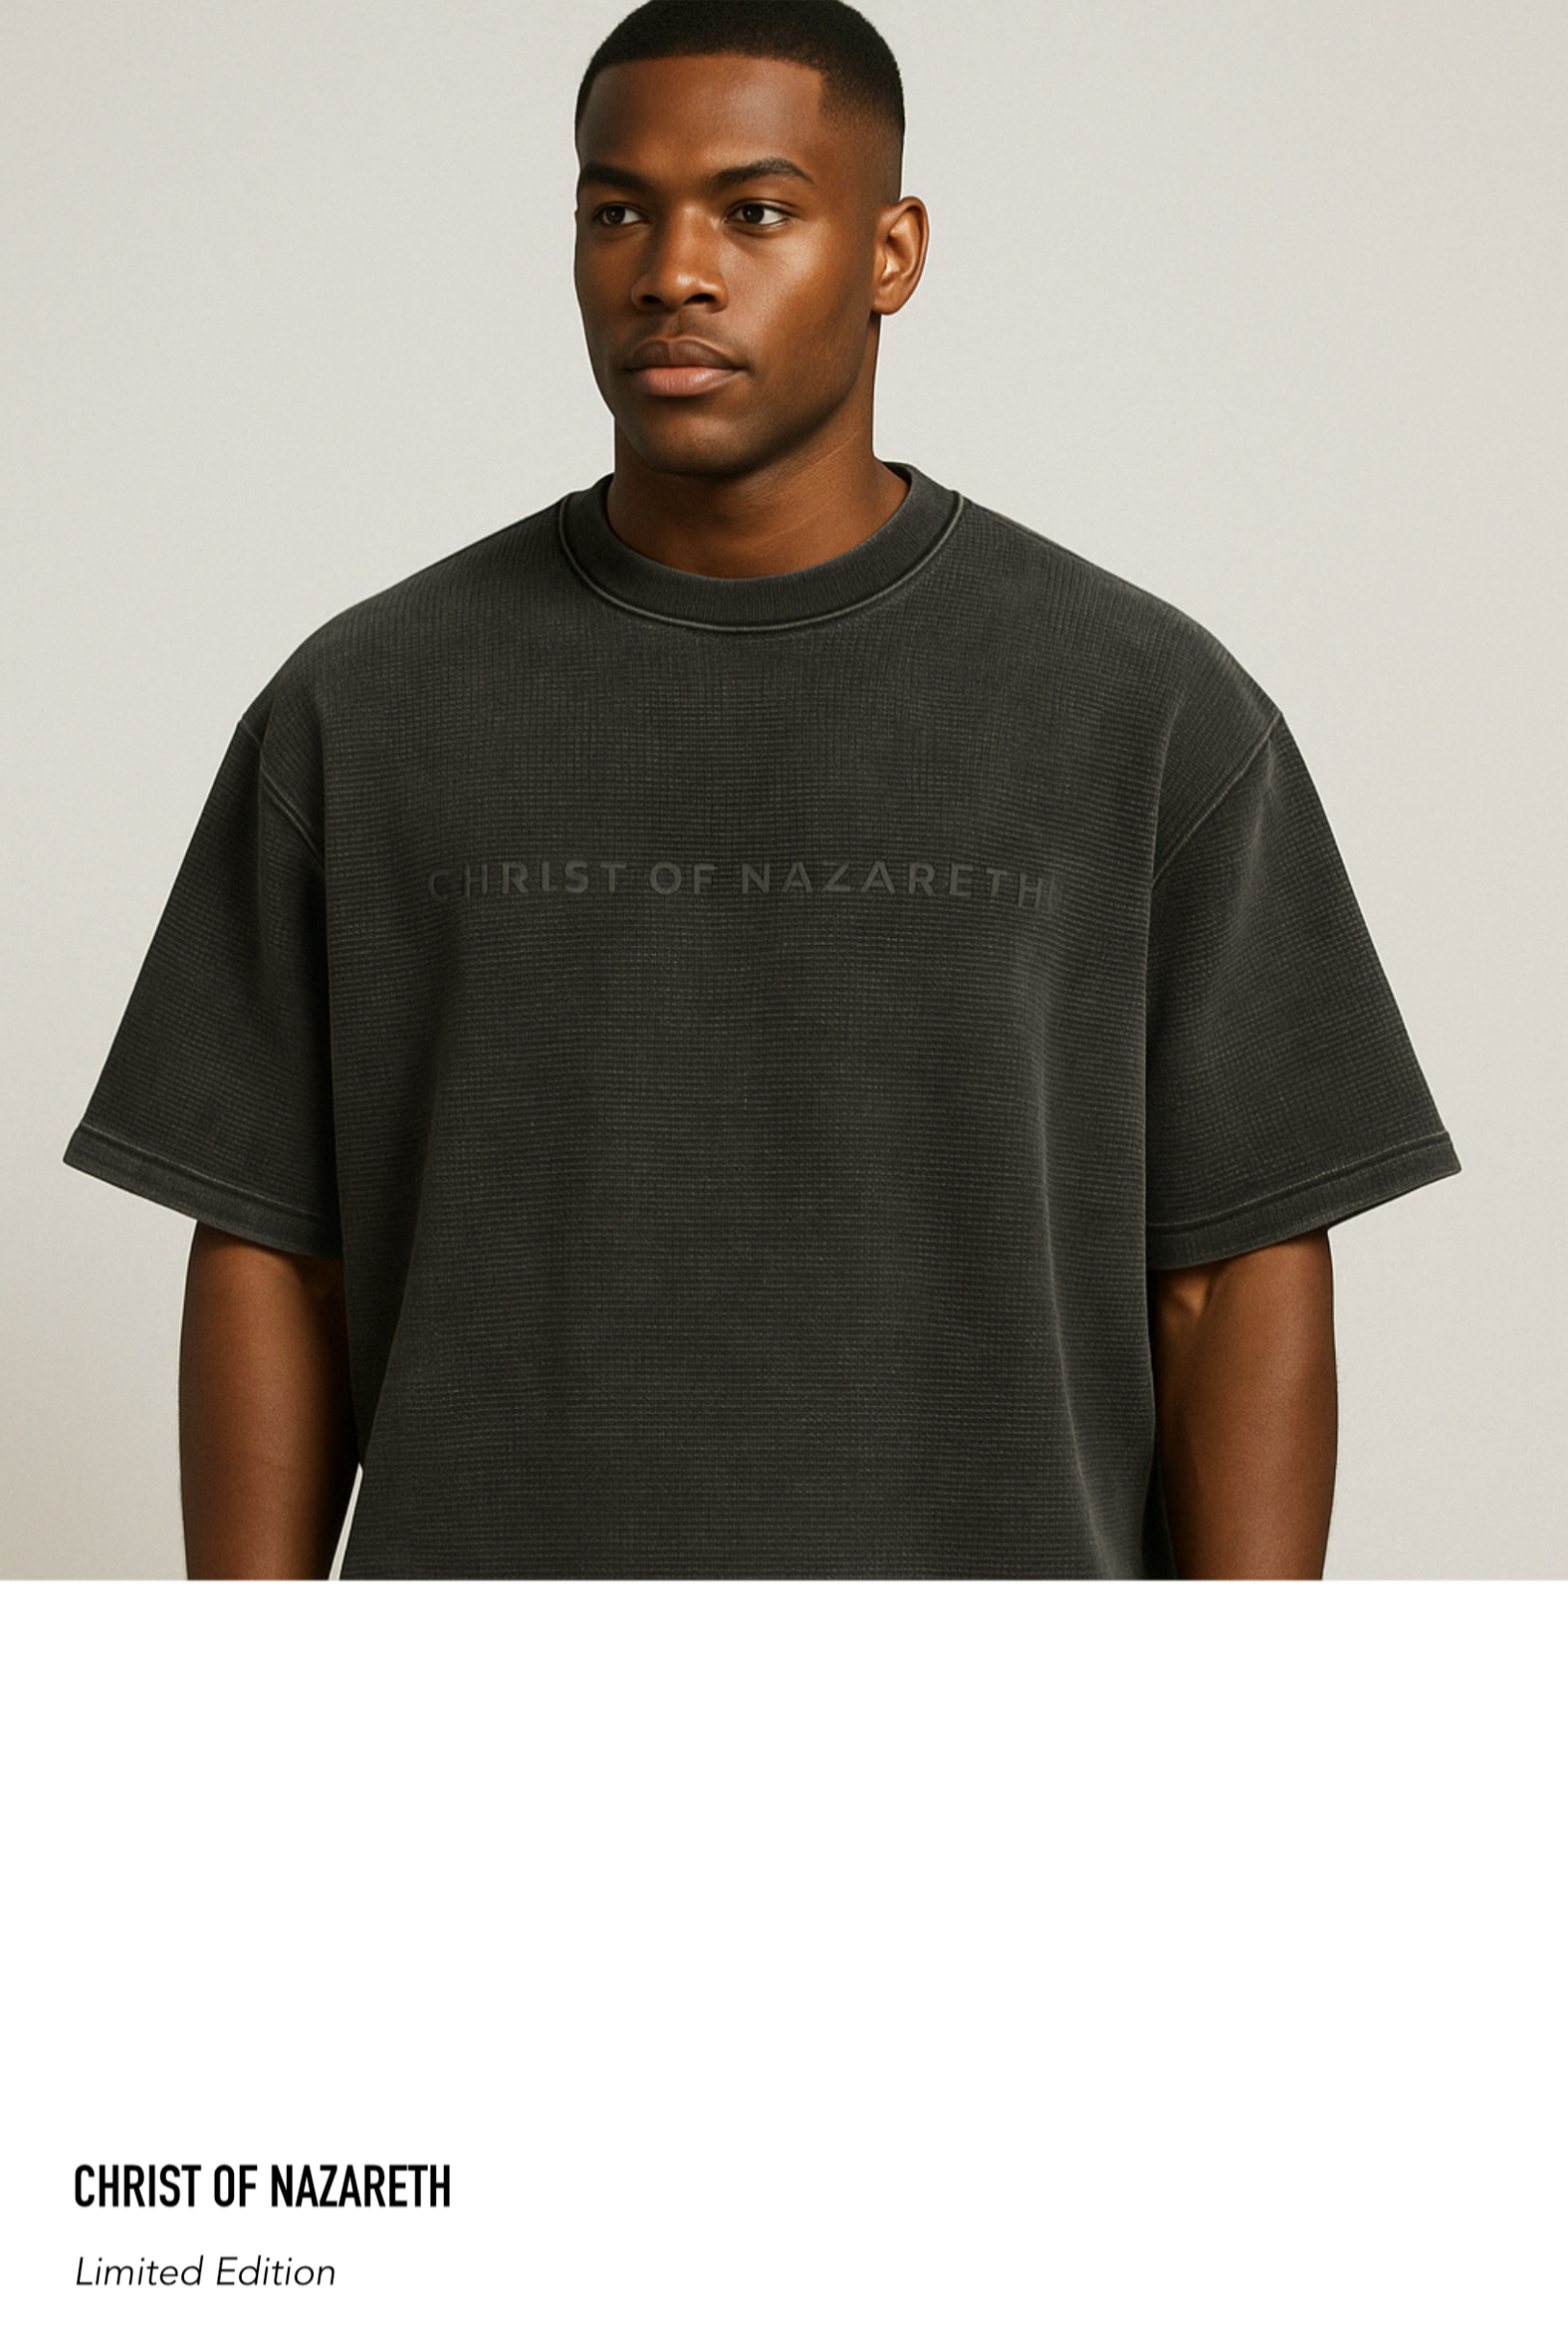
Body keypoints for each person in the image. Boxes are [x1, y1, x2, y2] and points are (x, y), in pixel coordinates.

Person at [64, 0, 1459, 1580]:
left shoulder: (1144, 711)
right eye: (617, 212)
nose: (673, 269)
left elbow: (1232, 1275)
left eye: (756, 211)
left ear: (892, 253)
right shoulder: (364, 707)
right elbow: (275, 1258)